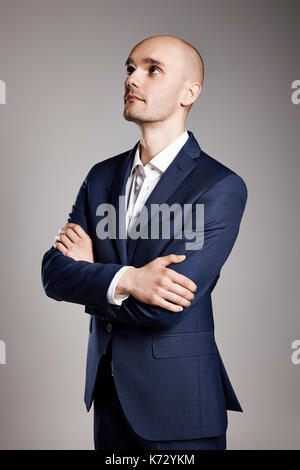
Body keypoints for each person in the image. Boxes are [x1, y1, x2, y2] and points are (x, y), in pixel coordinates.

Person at [41, 34, 248, 450]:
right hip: (109, 400)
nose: (133, 78)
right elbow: (53, 274)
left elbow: (164, 308)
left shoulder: (219, 186)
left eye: (153, 69)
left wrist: (95, 274)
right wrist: (131, 280)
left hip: (180, 407)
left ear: (190, 92)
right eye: (130, 68)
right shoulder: (100, 177)